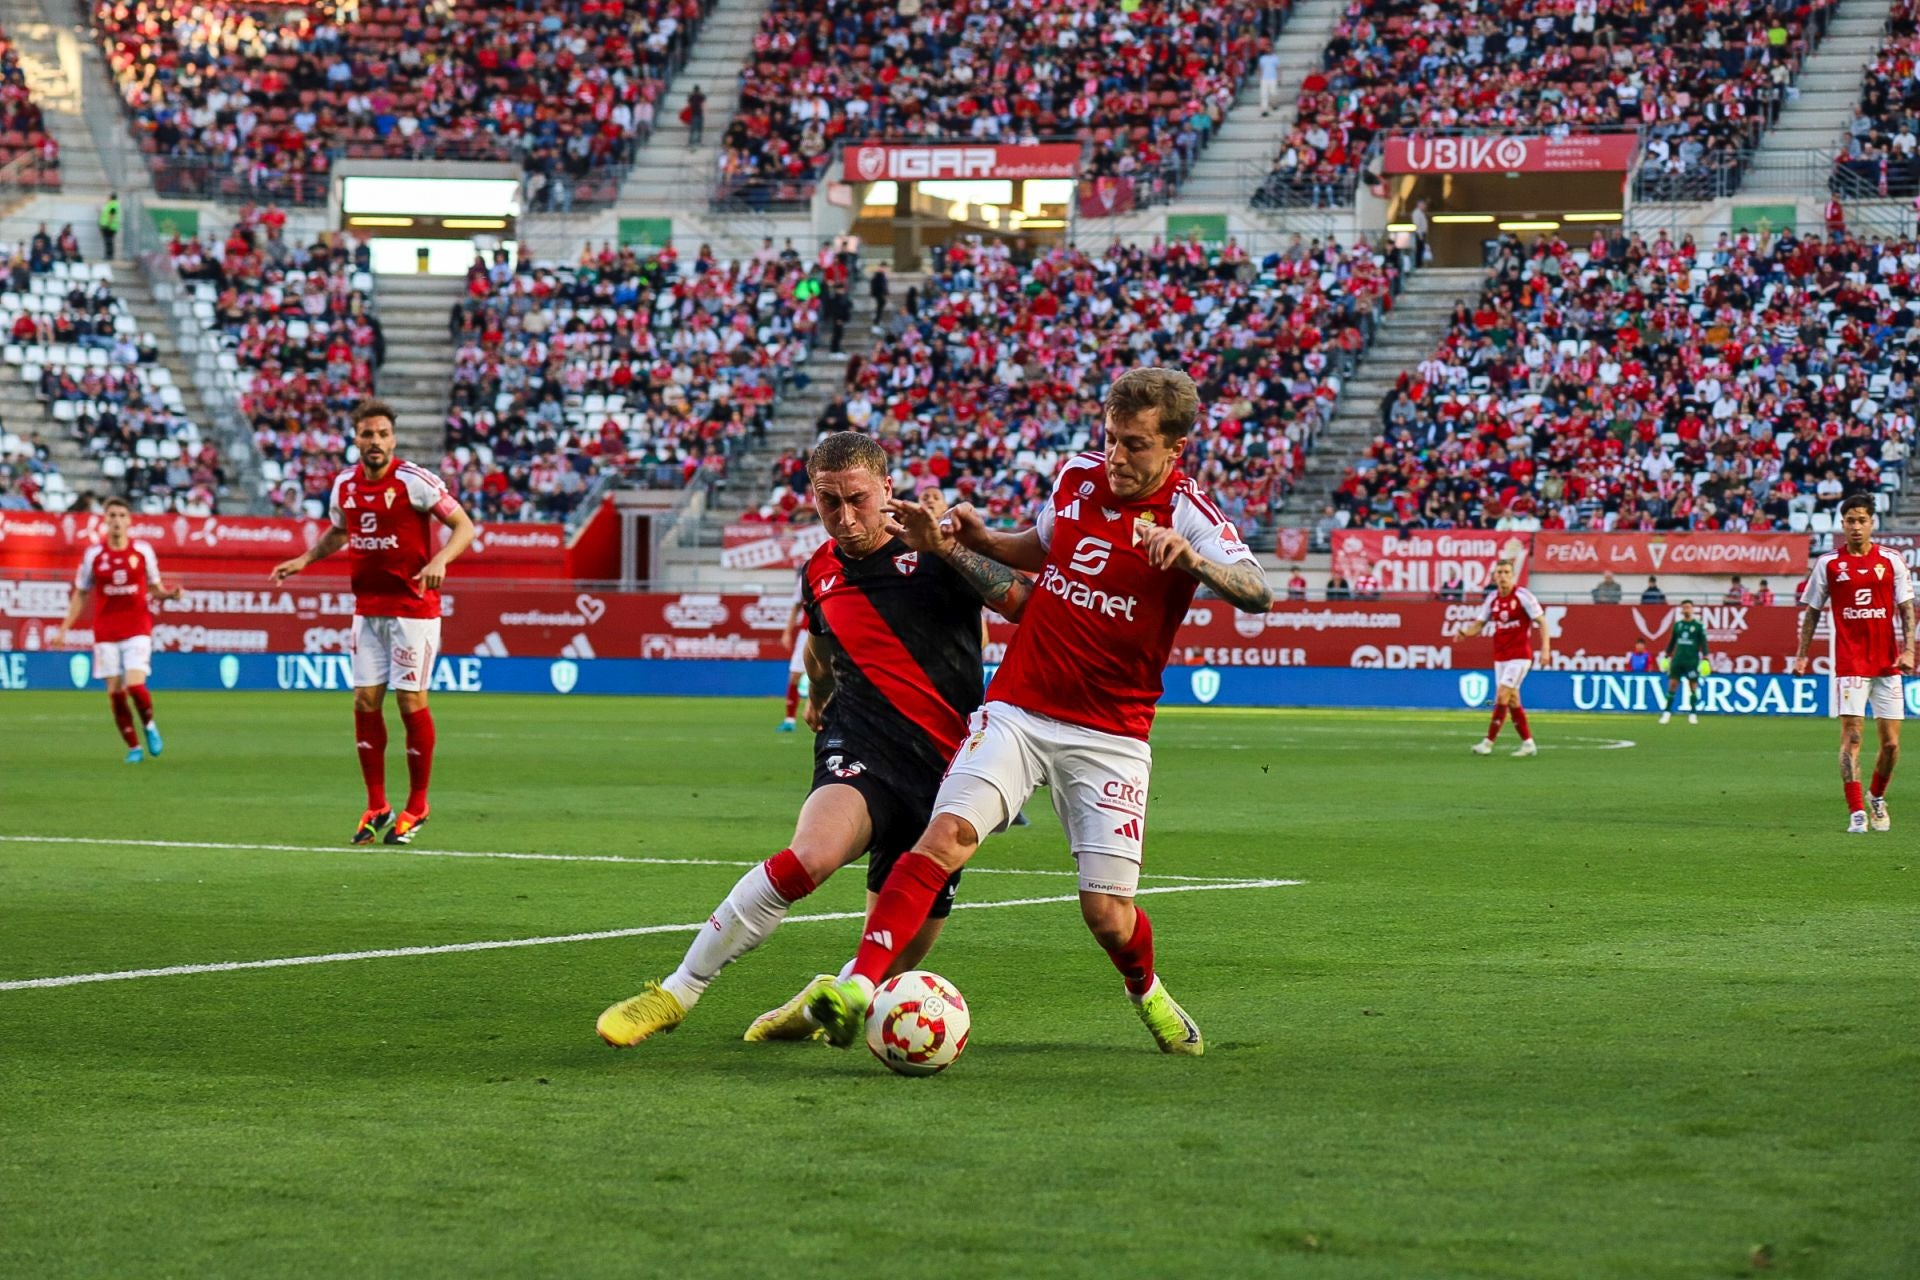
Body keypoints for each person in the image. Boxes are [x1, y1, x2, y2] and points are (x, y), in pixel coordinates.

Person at [803, 367, 1274, 1057]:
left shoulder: (1188, 515)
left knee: (1108, 917)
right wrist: (977, 536)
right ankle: (858, 985)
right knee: (945, 837)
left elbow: (1257, 592)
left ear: (1174, 449)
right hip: (1019, 708)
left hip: (1111, 732)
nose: (1116, 455)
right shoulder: (1076, 478)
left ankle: (1146, 991)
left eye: (1135, 445)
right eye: (1111, 438)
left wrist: (1193, 563)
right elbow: (1032, 550)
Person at [594, 432, 1032, 1047]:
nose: (845, 517)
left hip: (947, 769)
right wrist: (820, 697)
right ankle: (676, 991)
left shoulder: (936, 551)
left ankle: (812, 1004)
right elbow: (822, 645)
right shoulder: (820, 571)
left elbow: (1023, 602)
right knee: (810, 858)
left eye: (857, 499)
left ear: (887, 489)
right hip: (862, 747)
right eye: (829, 502)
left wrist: (949, 549)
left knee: (896, 960)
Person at [271, 400, 476, 845]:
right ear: (356, 439)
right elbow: (340, 531)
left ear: (393, 439)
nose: (376, 442)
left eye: (383, 434)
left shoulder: (413, 481)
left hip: (413, 610)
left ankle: (418, 804)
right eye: (367, 434)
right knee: (365, 701)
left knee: (409, 701)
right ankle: (376, 804)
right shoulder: (344, 485)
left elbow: (464, 526)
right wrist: (305, 559)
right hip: (368, 609)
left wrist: (441, 558)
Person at [1793, 492, 1916, 834]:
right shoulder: (1829, 564)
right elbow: (1812, 612)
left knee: (1891, 745)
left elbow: (1906, 608)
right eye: (1850, 521)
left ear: (1872, 523)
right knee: (1853, 736)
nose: (1856, 527)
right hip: (1849, 663)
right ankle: (1857, 810)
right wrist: (1802, 654)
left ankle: (1877, 796)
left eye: (1862, 520)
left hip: (1887, 663)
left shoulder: (1891, 561)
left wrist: (1909, 651)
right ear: (1842, 524)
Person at [47, 496, 183, 762]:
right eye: (112, 516)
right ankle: (134, 747)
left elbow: (155, 588)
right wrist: (64, 628)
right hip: (106, 629)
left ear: (130, 521)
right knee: (115, 693)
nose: (117, 520)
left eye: (122, 515)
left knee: (135, 686)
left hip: (137, 627)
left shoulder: (142, 551)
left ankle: (149, 725)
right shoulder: (94, 555)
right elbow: (81, 593)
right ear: (105, 520)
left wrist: (170, 595)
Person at [1460, 559, 1549, 757]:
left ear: (1512, 575)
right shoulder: (1492, 599)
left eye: (1506, 572)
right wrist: (1464, 633)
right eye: (1499, 572)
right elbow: (1479, 624)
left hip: (1520, 656)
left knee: (1501, 695)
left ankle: (1488, 742)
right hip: (1501, 656)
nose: (1502, 576)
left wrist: (1545, 649)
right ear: (1494, 576)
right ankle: (1528, 743)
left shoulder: (1523, 596)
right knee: (1513, 700)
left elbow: (1541, 621)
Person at [1659, 600, 1709, 725]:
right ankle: (1667, 712)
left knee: (1692, 687)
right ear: (1681, 610)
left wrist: (1706, 658)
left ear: (1692, 609)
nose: (1686, 609)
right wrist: (1666, 656)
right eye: (1684, 607)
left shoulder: (1698, 626)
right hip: (1678, 660)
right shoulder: (1678, 625)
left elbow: (1703, 643)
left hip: (1691, 661)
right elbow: (1672, 641)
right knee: (1672, 685)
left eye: (1688, 607)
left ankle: (1693, 713)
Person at [1258, 41, 1281, 116]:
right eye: (1267, 48)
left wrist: (1279, 78)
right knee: (1264, 95)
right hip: (1264, 78)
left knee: (1273, 93)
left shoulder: (1275, 58)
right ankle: (1264, 110)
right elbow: (1261, 69)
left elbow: (1278, 69)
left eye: (1269, 48)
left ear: (1272, 49)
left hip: (1273, 78)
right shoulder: (1262, 58)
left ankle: (1274, 104)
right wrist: (1260, 78)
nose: (1268, 50)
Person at [98, 193, 120, 260]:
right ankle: (108, 255)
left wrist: (108, 224)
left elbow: (112, 214)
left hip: (109, 226)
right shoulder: (111, 204)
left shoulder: (113, 204)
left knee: (108, 241)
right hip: (109, 225)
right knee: (108, 241)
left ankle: (109, 256)